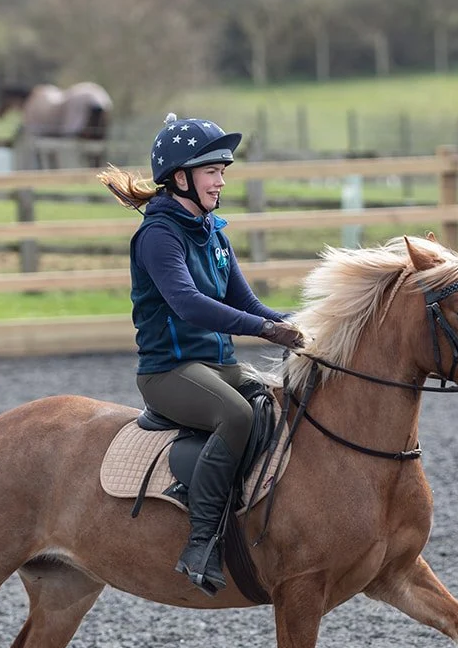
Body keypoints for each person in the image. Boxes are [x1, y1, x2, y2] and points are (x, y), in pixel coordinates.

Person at [98, 114, 306, 595]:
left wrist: (295, 324)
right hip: (169, 372)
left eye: (223, 169)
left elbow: (247, 304)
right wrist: (265, 330)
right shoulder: (158, 236)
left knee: (279, 405)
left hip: (220, 366)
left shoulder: (213, 232)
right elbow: (187, 303)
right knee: (236, 415)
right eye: (212, 170)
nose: (221, 179)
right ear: (181, 177)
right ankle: (202, 542)